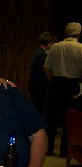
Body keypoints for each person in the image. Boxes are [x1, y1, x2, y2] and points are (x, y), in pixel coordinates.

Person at [44, 22, 82, 157]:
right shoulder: (80, 48)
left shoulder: (55, 47)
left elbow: (47, 68)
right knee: (69, 118)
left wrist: (52, 81)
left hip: (56, 83)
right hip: (72, 84)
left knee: (51, 118)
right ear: (78, 33)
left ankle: (48, 148)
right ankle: (65, 151)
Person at [28, 32, 54, 116]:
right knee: (39, 108)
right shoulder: (41, 54)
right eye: (52, 43)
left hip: (35, 85)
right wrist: (51, 80)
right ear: (48, 42)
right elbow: (45, 70)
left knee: (37, 107)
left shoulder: (38, 52)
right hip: (38, 86)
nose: (52, 45)